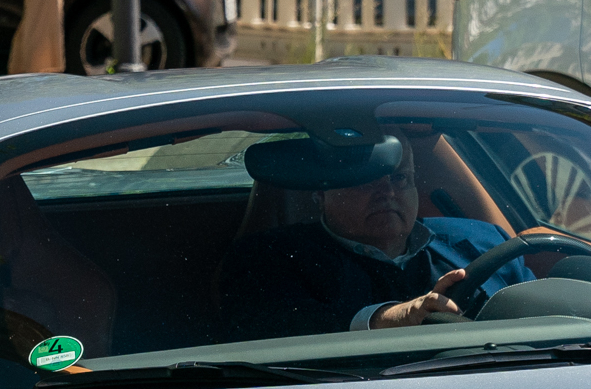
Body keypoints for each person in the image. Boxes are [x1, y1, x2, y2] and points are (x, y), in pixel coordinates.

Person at [221, 133, 535, 341]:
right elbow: (278, 333)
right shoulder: (267, 258)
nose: (387, 193)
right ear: (321, 192)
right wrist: (389, 319)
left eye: (400, 178)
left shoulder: (485, 241)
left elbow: (543, 313)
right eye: (365, 181)